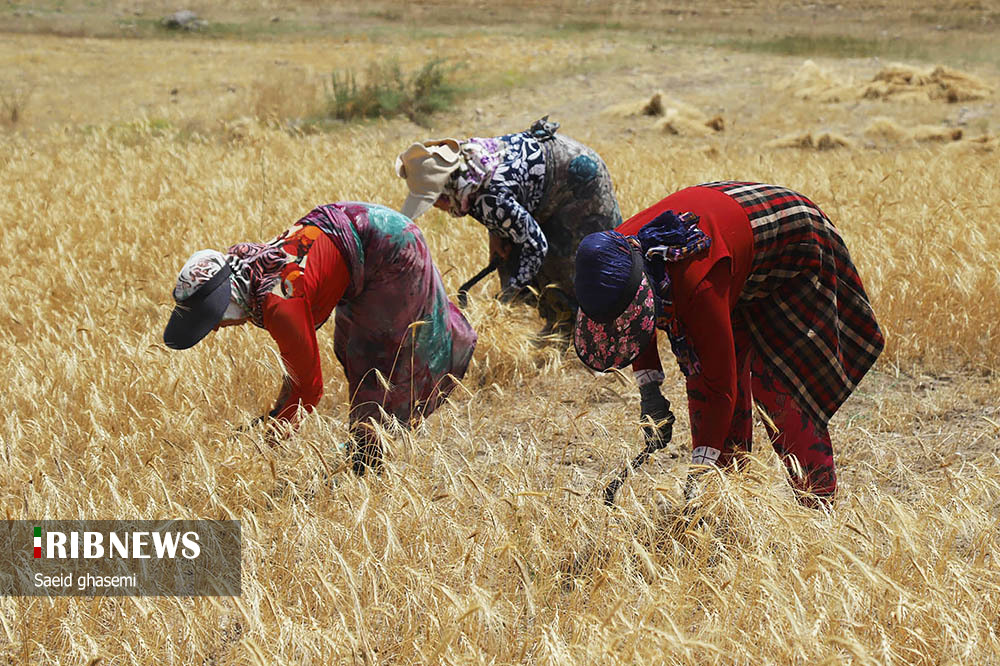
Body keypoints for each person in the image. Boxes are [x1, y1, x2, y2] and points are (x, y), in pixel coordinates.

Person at [573, 181, 884, 508]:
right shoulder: (610, 258)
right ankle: (727, 507)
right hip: (732, 254)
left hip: (794, 245)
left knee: (780, 393)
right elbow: (633, 326)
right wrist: (650, 392)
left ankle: (819, 512)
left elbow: (717, 386)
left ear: (646, 287)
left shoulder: (695, 281)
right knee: (717, 390)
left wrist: (701, 467)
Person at [163, 202, 477, 474]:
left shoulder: (279, 304)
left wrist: (277, 434)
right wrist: (281, 407)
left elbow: (310, 389)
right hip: (359, 233)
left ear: (228, 305)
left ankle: (368, 457)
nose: (215, 328)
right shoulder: (252, 272)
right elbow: (298, 368)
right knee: (346, 345)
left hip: (391, 248)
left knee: (374, 362)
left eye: (212, 320)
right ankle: (371, 442)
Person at [395, 117, 622, 333]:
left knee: (565, 263)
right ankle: (553, 319)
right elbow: (500, 198)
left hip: (579, 185)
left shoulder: (489, 197)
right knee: (509, 256)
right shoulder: (469, 167)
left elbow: (536, 245)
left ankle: (582, 330)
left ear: (445, 193)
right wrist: (497, 233)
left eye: (434, 201)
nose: (436, 207)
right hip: (552, 180)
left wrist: (510, 293)